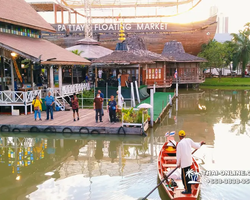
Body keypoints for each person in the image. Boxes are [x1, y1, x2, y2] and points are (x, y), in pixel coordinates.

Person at [176, 130, 205, 195]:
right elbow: (196, 146)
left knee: (184, 178)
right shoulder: (189, 140)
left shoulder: (179, 144)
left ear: (179, 136)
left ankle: (188, 190)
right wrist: (200, 143)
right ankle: (189, 189)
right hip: (189, 162)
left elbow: (178, 156)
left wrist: (178, 164)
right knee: (187, 176)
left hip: (184, 164)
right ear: (185, 135)